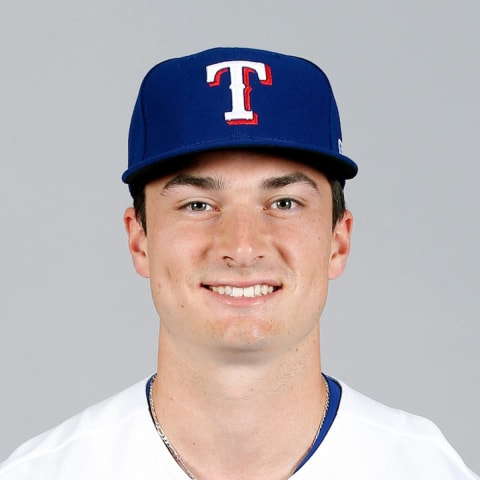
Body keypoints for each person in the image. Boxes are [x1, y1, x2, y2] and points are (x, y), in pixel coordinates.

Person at [0, 47, 477, 480]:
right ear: (140, 239)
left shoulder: (425, 468)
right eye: (198, 206)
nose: (243, 248)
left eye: (285, 203)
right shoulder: (45, 472)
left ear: (338, 241)